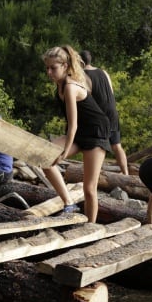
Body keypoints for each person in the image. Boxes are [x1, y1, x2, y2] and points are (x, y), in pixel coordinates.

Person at [42, 45, 111, 222]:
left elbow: (73, 125)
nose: (49, 72)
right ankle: (69, 203)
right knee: (45, 159)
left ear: (65, 66)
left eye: (53, 68)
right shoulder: (59, 87)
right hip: (80, 132)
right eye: (47, 68)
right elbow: (73, 125)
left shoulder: (70, 87)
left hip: (96, 132)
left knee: (89, 188)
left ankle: (90, 226)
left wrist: (64, 153)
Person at [79, 50, 129, 175]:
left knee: (97, 146)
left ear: (80, 62)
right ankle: (126, 174)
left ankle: (96, 174)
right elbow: (111, 91)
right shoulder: (104, 72)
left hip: (100, 114)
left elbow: (87, 97)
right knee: (117, 146)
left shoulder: (83, 75)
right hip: (112, 111)